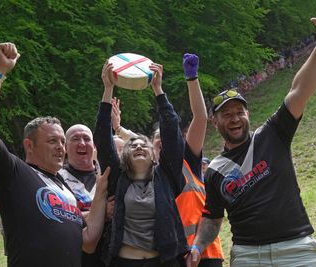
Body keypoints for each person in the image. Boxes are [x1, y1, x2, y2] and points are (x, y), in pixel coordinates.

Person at [187, 17, 316, 267]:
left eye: (239, 112)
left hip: (298, 250)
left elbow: (299, 90)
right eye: (226, 114)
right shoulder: (214, 170)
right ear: (215, 123)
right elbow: (212, 218)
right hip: (249, 257)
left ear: (248, 115)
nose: (235, 118)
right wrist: (197, 245)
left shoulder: (272, 134)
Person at [0, 42, 109, 267]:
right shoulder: (15, 172)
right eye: (52, 141)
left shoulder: (66, 189)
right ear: (29, 146)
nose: (60, 147)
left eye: (62, 141)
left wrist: (101, 191)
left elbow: (89, 241)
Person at [110, 54, 224, 266]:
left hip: (206, 252)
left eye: (166, 138)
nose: (162, 141)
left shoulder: (188, 160)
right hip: (171, 256)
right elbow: (137, 142)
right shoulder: (149, 178)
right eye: (156, 139)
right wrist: (118, 129)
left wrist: (192, 79)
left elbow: (200, 116)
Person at [95, 60, 188, 266]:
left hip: (163, 261)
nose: (138, 146)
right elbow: (102, 137)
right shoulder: (117, 178)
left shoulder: (166, 175)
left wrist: (158, 90)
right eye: (133, 145)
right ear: (124, 155)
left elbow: (172, 132)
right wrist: (108, 89)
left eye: (144, 144)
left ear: (154, 156)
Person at [59, 123, 115, 267]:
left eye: (86, 138)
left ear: (94, 145)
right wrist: (102, 212)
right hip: (75, 256)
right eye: (75, 139)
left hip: (109, 257)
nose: (82, 143)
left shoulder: (109, 175)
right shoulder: (56, 179)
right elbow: (60, 217)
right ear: (65, 147)